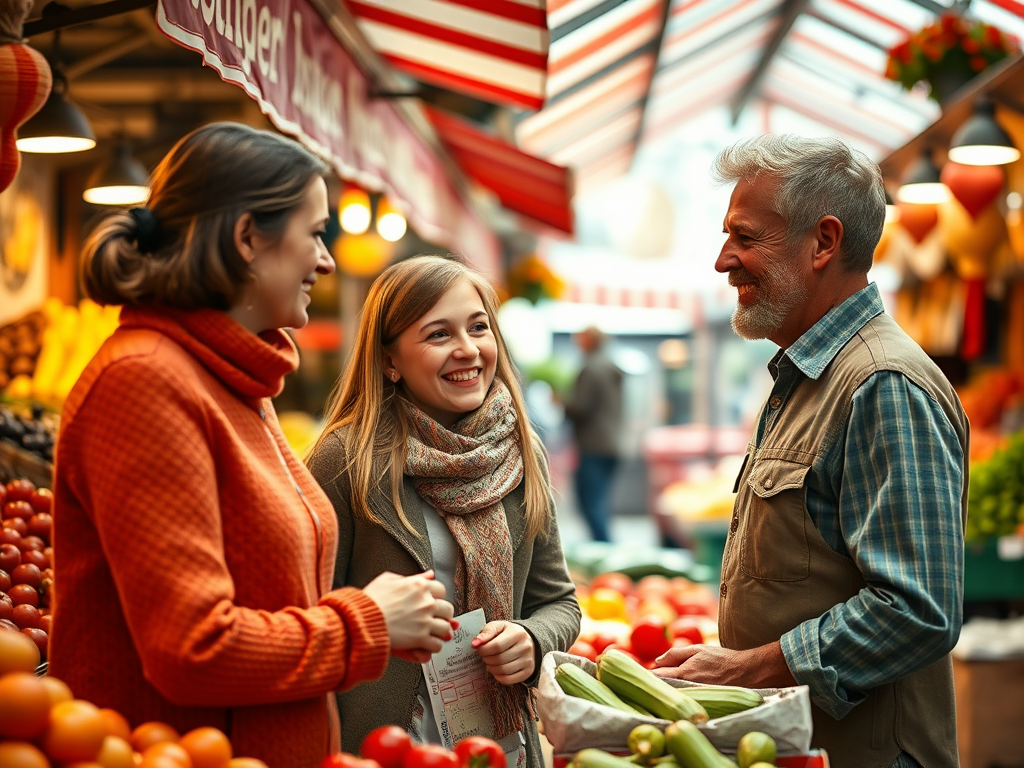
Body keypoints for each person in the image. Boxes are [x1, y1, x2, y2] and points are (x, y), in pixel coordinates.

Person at [50, 123, 455, 768]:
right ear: (247, 239)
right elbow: (192, 648)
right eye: (315, 233)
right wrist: (367, 623)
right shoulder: (145, 381)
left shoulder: (238, 379)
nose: (326, 260)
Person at [653, 135, 968, 768]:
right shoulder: (810, 378)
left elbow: (917, 609)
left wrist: (752, 667)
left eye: (746, 237)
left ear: (823, 242)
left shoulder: (882, 384)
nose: (724, 261)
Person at [306, 255, 581, 768]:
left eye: (479, 328)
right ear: (390, 360)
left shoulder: (520, 451)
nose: (468, 349)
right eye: (438, 335)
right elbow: (308, 615)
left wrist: (531, 638)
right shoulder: (346, 459)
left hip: (499, 744)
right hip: (386, 745)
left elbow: (559, 603)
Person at [562, 326, 623, 542]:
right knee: (599, 502)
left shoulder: (590, 368)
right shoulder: (610, 366)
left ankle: (605, 551)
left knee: (590, 504)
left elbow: (582, 407)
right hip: (613, 444)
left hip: (593, 445)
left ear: (590, 340)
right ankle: (606, 548)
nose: (576, 341)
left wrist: (560, 401)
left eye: (581, 337)